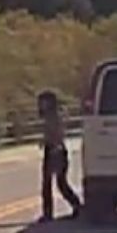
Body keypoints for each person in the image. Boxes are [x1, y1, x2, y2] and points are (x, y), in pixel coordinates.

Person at [37, 90, 82, 222]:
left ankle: (74, 206)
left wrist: (55, 146)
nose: (41, 104)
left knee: (56, 182)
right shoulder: (48, 116)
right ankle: (73, 206)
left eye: (44, 101)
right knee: (53, 182)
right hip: (51, 148)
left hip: (55, 150)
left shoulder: (55, 116)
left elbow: (58, 133)